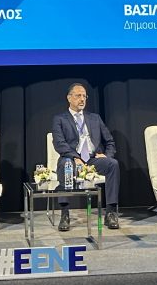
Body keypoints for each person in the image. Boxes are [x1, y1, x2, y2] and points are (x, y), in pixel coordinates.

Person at [52, 83, 121, 231]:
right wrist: (75, 157)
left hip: (92, 159)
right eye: (78, 96)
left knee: (113, 164)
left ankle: (111, 213)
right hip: (71, 159)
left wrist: (106, 156)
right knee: (64, 165)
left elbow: (110, 141)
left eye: (84, 96)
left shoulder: (94, 118)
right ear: (69, 98)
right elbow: (59, 144)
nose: (82, 99)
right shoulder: (60, 119)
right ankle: (64, 214)